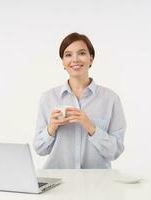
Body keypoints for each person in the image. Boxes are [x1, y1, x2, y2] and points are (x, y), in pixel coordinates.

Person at [34, 32, 126, 169]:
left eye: (81, 53)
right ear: (63, 63)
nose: (75, 59)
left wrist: (90, 127)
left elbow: (115, 152)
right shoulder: (48, 98)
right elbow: (40, 150)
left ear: (91, 59)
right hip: (58, 182)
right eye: (68, 55)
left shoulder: (110, 99)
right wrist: (51, 127)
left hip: (97, 184)